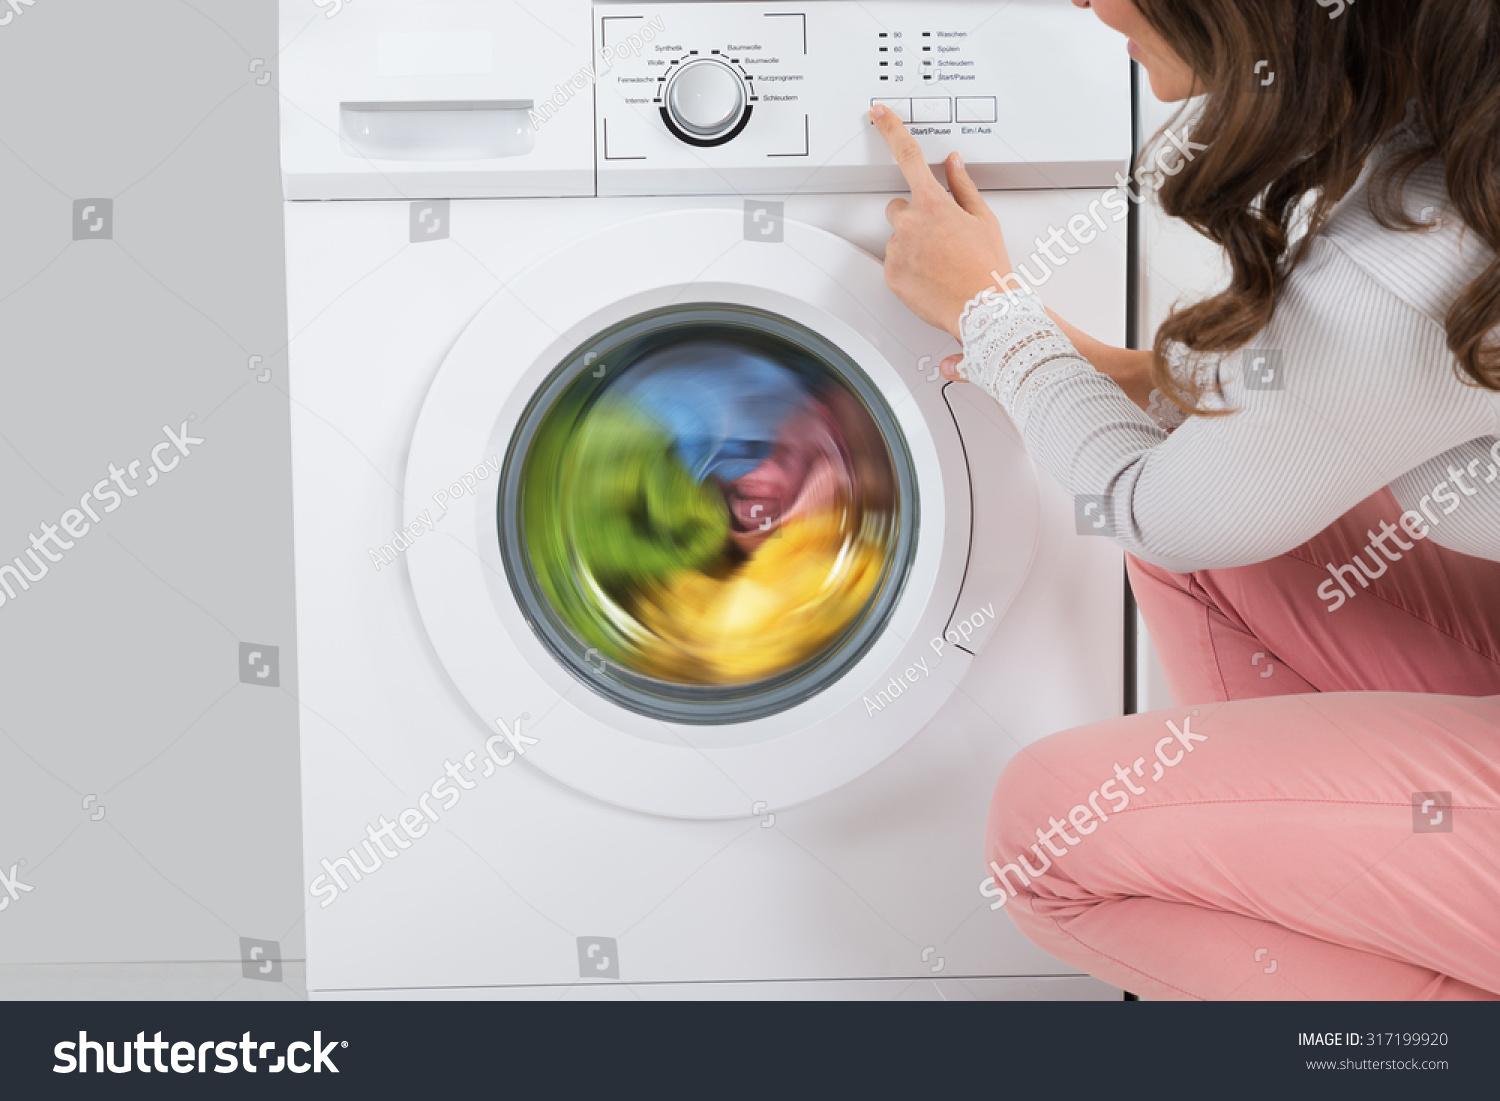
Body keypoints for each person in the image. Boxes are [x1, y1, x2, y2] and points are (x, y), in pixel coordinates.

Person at [872, 0, 1500, 999]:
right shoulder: (1458, 142)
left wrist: (992, 317)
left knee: (1047, 841)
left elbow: (1153, 502)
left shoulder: (1402, 269)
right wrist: (1098, 365)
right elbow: (1302, 418)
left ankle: (1407, 1055)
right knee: (1236, 531)